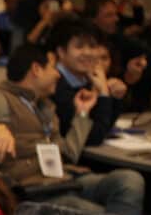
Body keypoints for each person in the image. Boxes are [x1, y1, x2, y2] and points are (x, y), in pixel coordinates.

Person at [0, 44, 143, 215]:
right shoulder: (2, 97)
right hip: (36, 190)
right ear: (37, 69)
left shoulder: (45, 107)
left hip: (65, 179)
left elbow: (69, 153)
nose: (57, 75)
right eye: (53, 68)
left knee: (129, 180)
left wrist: (83, 114)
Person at [50, 18, 125, 147]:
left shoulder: (85, 80)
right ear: (61, 52)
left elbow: (105, 127)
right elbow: (92, 138)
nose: (87, 53)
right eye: (79, 47)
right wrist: (104, 94)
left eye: (92, 46)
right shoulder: (55, 85)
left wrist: (115, 97)